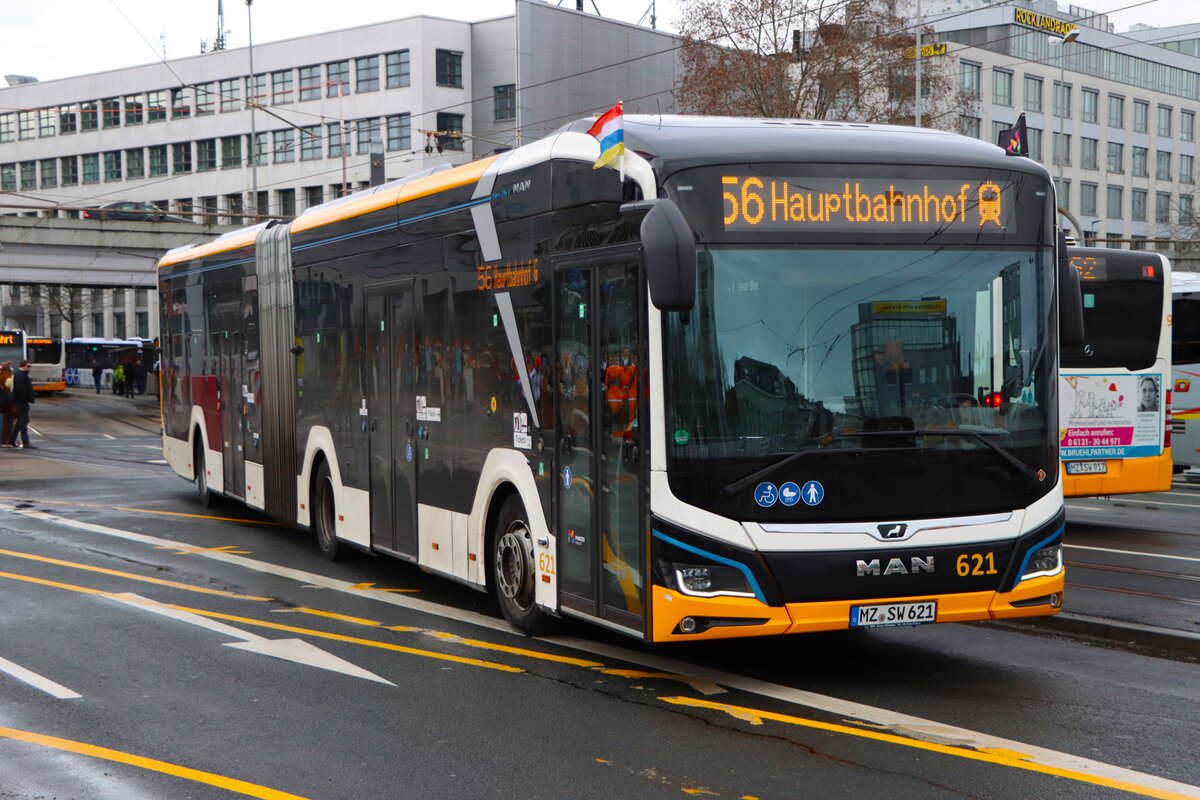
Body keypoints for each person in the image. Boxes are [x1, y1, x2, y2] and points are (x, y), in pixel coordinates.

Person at [8, 360, 36, 449]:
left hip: (20, 401)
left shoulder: (21, 374)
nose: (29, 368)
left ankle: (12, 440)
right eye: (28, 366)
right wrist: (26, 399)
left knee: (20, 421)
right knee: (24, 421)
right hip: (21, 402)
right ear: (23, 366)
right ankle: (26, 442)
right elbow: (21, 390)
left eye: (30, 366)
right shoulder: (20, 375)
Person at [0, 361, 14, 447]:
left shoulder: (2, 376)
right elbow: (9, 390)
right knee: (6, 423)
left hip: (3, 403)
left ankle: (4, 440)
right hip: (6, 404)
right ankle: (4, 441)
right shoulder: (5, 378)